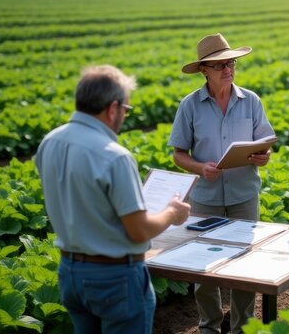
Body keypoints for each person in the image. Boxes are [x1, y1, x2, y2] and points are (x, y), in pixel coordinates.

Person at [35, 65, 191, 334]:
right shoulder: (114, 156)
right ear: (112, 108)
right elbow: (139, 229)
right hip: (114, 277)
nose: (124, 117)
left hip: (70, 271)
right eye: (126, 110)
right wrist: (171, 213)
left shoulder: (50, 142)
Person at [169, 33, 275, 334]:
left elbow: (264, 143)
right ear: (204, 69)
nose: (228, 69)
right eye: (220, 65)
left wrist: (262, 156)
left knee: (245, 264)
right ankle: (209, 327)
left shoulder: (251, 101)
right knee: (204, 266)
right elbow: (178, 154)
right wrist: (200, 167)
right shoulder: (189, 105)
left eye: (231, 63)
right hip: (205, 196)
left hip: (244, 194)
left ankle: (243, 327)